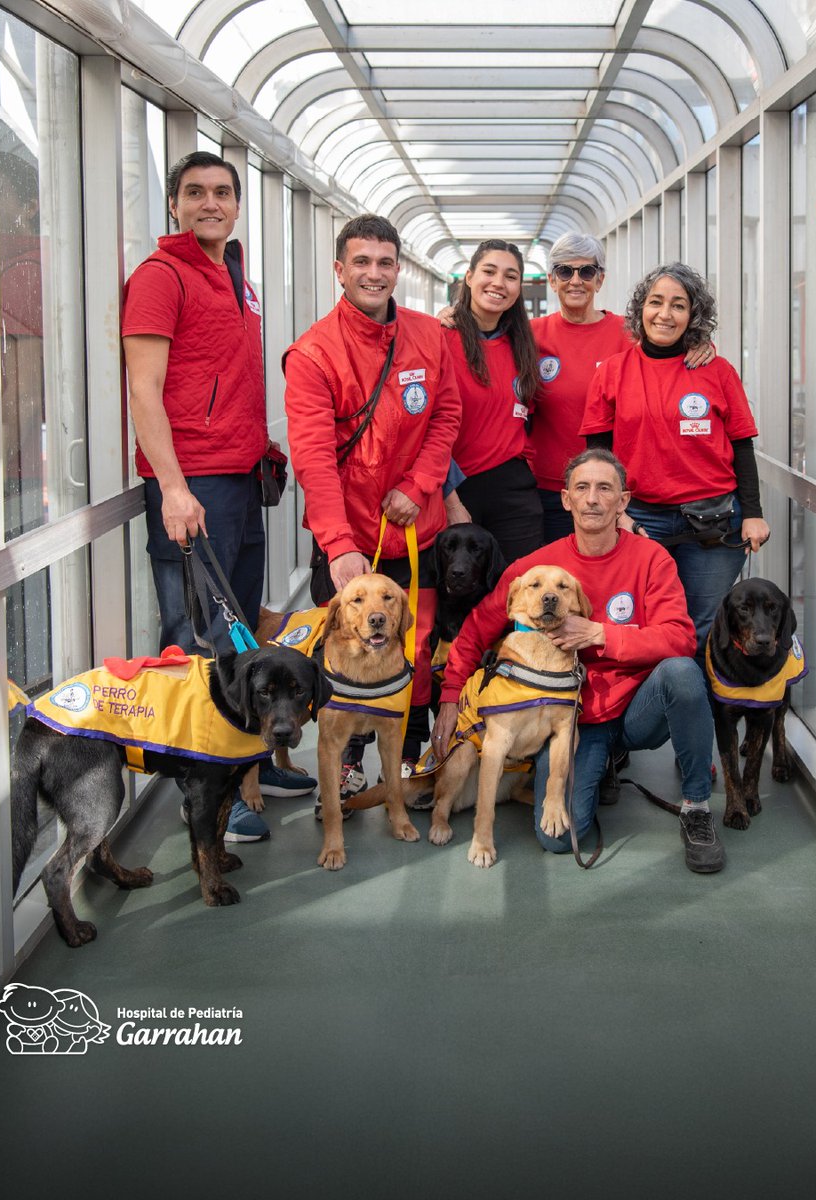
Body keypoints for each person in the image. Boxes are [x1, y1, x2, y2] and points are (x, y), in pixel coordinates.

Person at [122, 150, 315, 842]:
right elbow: (143, 388)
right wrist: (172, 487)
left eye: (223, 193)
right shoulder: (159, 276)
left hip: (237, 480)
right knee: (197, 639)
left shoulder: (236, 276)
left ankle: (242, 762)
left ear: (237, 205)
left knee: (238, 637)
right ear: (174, 204)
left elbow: (227, 375)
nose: (210, 203)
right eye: (195, 192)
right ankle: (205, 792)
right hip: (193, 485)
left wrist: (259, 445)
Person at [432, 448, 725, 874]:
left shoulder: (651, 558)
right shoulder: (536, 569)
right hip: (572, 721)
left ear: (622, 502)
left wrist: (601, 633)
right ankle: (600, 765)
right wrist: (451, 695)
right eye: (582, 488)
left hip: (636, 708)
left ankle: (696, 807)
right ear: (566, 499)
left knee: (682, 673)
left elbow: (680, 637)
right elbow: (477, 628)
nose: (592, 498)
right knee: (555, 839)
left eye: (604, 488)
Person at [283, 213, 461, 804]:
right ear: (340, 270)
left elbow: (446, 415)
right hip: (352, 541)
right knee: (349, 646)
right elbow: (312, 458)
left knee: (416, 644)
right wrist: (339, 545)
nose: (374, 273)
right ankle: (348, 759)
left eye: (385, 262)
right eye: (361, 262)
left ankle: (406, 757)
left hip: (418, 529)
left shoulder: (430, 337)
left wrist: (420, 483)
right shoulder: (313, 353)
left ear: (400, 269)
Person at [581, 262, 770, 664]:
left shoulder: (716, 370)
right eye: (656, 302)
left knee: (701, 628)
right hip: (641, 521)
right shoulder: (613, 372)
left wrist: (752, 513)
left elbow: (741, 445)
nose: (665, 314)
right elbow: (597, 456)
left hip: (713, 523)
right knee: (646, 623)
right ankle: (651, 719)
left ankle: (695, 723)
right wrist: (617, 515)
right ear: (641, 309)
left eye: (678, 306)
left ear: (693, 316)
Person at [531, 234, 713, 542]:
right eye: (565, 271)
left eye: (586, 271)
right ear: (552, 279)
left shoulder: (629, 333)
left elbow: (671, 342)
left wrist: (702, 343)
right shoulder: (530, 334)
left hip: (610, 494)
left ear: (600, 280)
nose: (576, 280)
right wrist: (451, 317)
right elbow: (487, 338)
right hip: (548, 489)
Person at [443, 239, 544, 563]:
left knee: (521, 594)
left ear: (519, 287)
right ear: (469, 277)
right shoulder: (438, 338)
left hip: (514, 492)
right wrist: (450, 500)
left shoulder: (524, 344)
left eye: (510, 276)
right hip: (456, 488)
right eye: (489, 271)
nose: (499, 282)